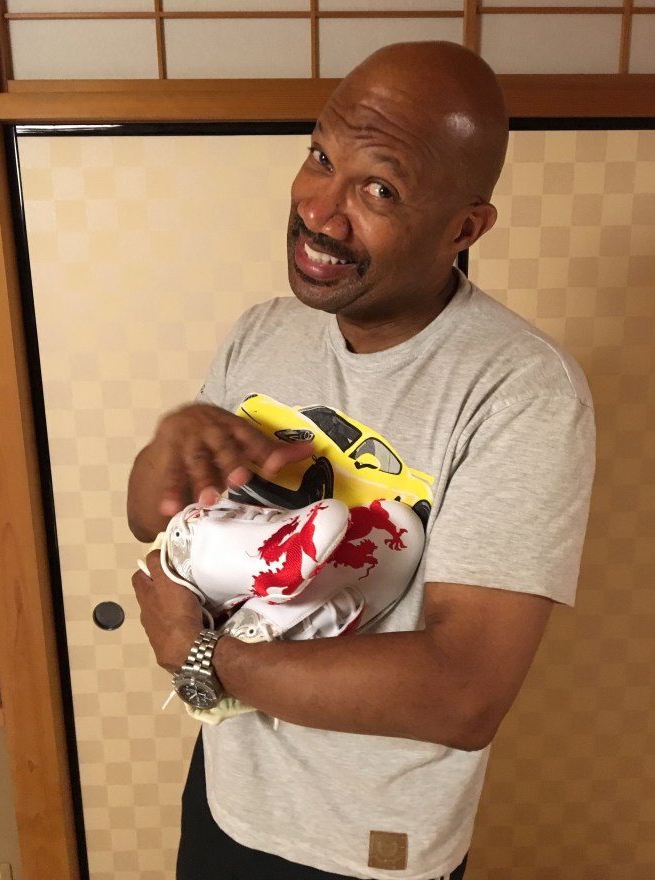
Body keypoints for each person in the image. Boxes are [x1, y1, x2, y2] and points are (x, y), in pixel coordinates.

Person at [128, 40, 595, 880]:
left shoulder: (521, 390)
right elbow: (159, 525)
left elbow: (463, 694)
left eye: (379, 188)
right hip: (228, 791)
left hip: (369, 846)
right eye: (320, 157)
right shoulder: (264, 330)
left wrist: (202, 658)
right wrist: (167, 446)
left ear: (464, 228)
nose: (320, 212)